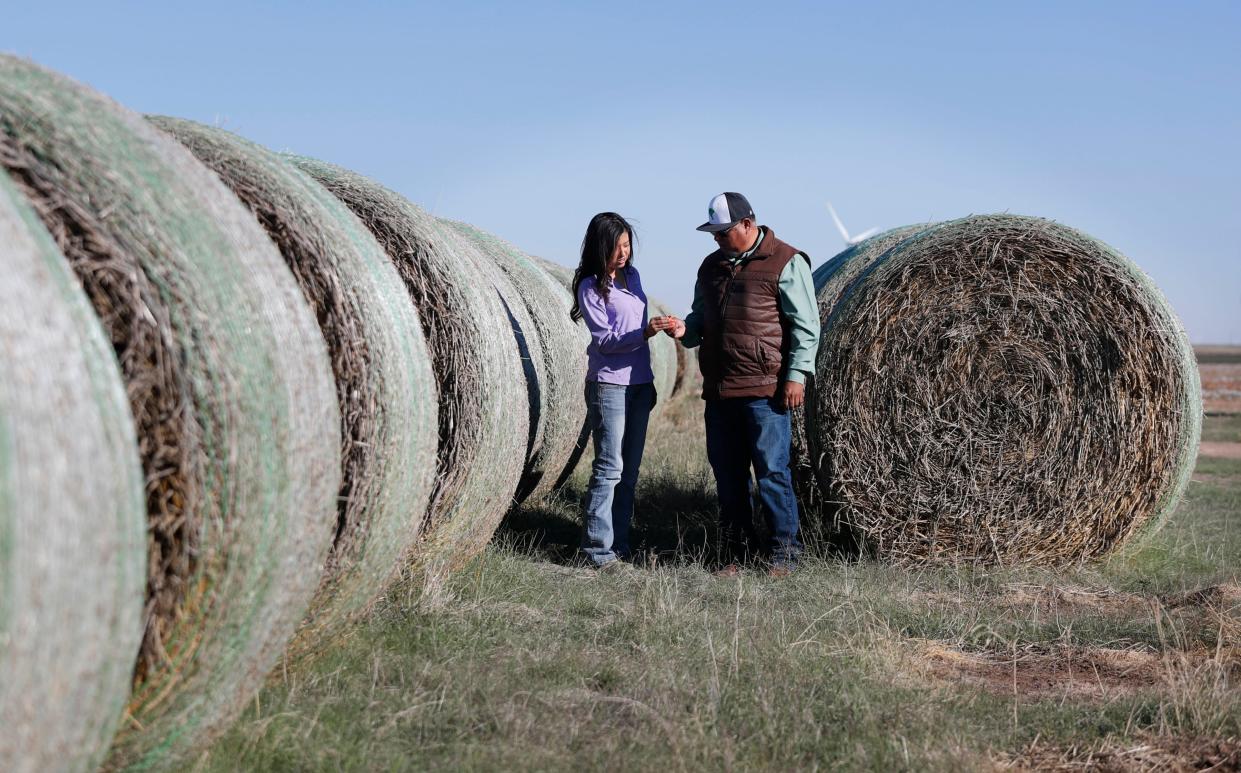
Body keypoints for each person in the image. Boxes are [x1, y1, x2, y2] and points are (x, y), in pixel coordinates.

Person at [665, 192, 820, 577]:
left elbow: (806, 326)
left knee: (772, 474)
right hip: (720, 391)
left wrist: (796, 376)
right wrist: (686, 330)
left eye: (722, 232)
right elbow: (700, 318)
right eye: (713, 234)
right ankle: (736, 554)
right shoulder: (711, 266)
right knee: (728, 477)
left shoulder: (786, 260)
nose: (716, 240)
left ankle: (784, 555)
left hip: (766, 391)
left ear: (748, 224)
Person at [571, 212, 672, 570]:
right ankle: (597, 550)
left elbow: (636, 328)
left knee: (629, 472)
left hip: (639, 384)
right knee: (609, 468)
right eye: (617, 247)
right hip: (609, 385)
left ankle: (620, 545)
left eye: (627, 245)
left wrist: (663, 332)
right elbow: (607, 342)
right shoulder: (590, 286)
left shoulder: (632, 277)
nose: (624, 253)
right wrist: (646, 332)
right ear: (601, 248)